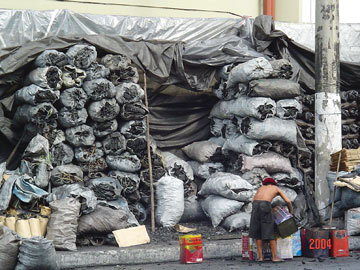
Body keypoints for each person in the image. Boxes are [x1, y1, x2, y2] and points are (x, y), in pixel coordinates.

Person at [249, 177, 293, 263]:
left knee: (258, 232)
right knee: (270, 230)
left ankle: (260, 257)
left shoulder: (260, 188)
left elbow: (252, 201)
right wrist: (291, 212)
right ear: (273, 183)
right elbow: (288, 201)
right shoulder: (275, 188)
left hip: (255, 206)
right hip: (265, 205)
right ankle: (274, 257)